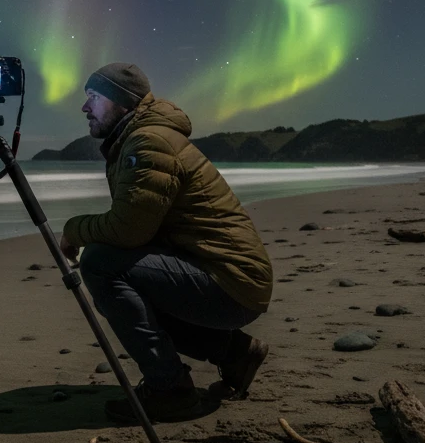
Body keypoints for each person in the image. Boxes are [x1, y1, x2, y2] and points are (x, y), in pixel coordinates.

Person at [58, 62, 273, 422]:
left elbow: (129, 230)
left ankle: (169, 389)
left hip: (231, 282)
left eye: (93, 98)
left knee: (100, 263)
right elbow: (139, 228)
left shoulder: (149, 142)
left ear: (122, 103)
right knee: (124, 274)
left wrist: (72, 230)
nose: (85, 108)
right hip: (229, 276)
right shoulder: (139, 137)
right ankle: (236, 353)